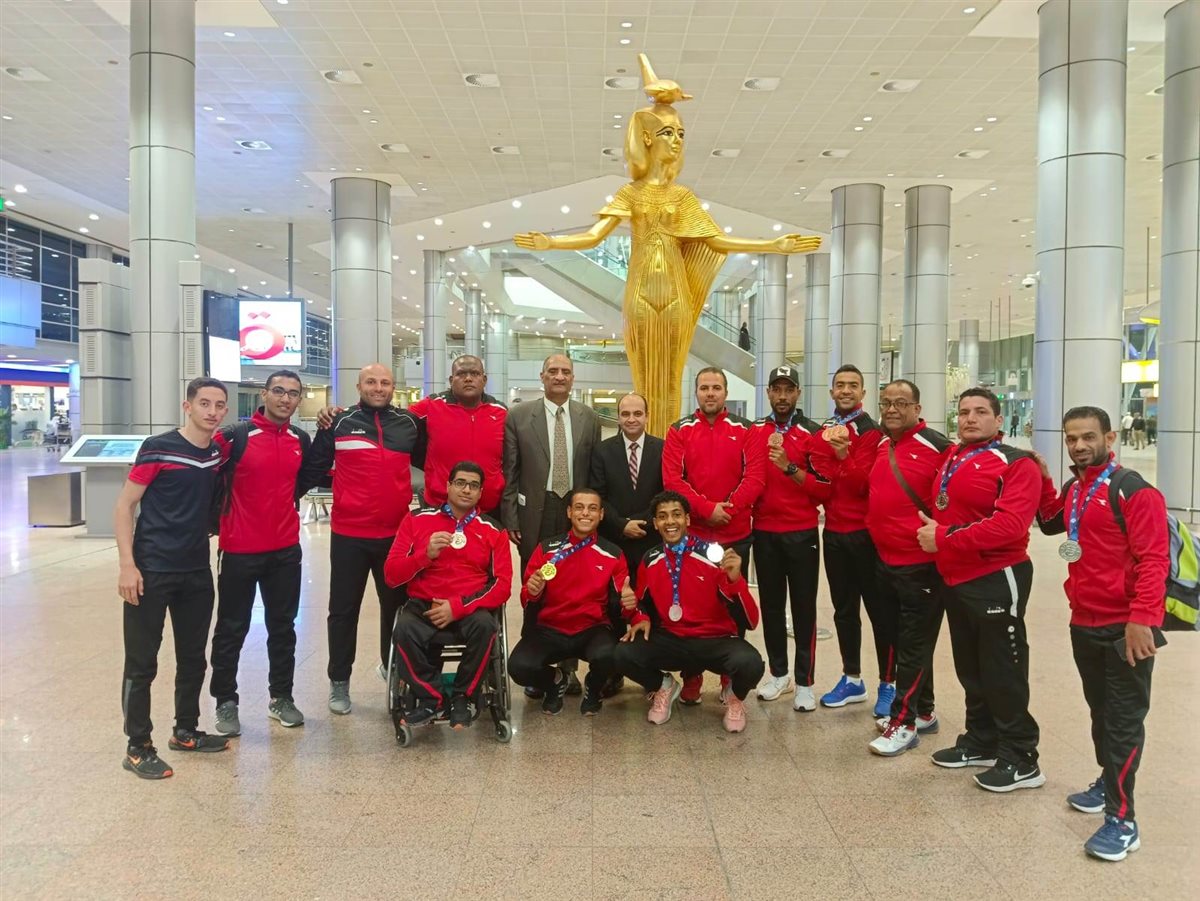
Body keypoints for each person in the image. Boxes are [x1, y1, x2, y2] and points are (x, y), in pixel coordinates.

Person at [1035, 406, 1169, 861]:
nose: (1078, 445)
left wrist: (1142, 619)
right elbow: (1050, 522)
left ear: (1110, 438)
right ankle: (1107, 781)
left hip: (1126, 627)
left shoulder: (1134, 491)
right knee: (1100, 713)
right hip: (1084, 622)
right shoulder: (1077, 488)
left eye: (1088, 437)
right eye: (1071, 438)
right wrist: (1042, 478)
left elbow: (1154, 560)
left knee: (1123, 721)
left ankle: (1123, 820)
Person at [917, 387, 1044, 792]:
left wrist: (944, 537)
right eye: (964, 412)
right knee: (970, 667)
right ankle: (981, 740)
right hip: (956, 576)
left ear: (999, 420)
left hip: (996, 576)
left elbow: (1010, 526)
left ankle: (1021, 757)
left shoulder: (1017, 463)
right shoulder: (954, 455)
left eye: (980, 412)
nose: (970, 418)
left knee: (1002, 670)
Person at [114, 377, 230, 779]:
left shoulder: (215, 453)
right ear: (188, 406)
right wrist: (127, 565)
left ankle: (185, 731)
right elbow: (125, 506)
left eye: (219, 405)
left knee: (193, 658)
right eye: (204, 403)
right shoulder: (157, 447)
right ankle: (137, 746)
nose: (212, 411)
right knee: (141, 663)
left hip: (196, 570)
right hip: (151, 570)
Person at [298, 363, 425, 715]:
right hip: (349, 535)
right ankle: (339, 681)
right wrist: (281, 500)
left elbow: (434, 464)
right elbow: (313, 469)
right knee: (343, 611)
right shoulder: (338, 422)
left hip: (395, 536)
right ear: (359, 386)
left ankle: (392, 668)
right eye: (371, 381)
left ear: (393, 387)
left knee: (396, 610)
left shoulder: (409, 424)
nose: (378, 387)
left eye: (385, 382)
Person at [209, 370, 311, 736]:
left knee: (283, 628)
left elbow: (300, 482)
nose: (286, 399)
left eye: (293, 393)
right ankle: (225, 700)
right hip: (239, 549)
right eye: (279, 391)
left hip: (285, 550)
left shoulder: (300, 439)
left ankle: (281, 697)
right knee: (231, 628)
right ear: (264, 395)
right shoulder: (234, 437)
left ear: (299, 400)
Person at [612, 491, 765, 733]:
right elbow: (640, 602)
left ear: (688, 519)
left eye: (676, 515)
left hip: (714, 640)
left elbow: (752, 620)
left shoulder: (714, 556)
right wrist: (638, 615)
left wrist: (736, 581)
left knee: (752, 664)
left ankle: (734, 696)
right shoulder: (650, 559)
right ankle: (664, 686)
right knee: (622, 654)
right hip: (672, 639)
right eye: (663, 516)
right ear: (655, 523)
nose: (670, 521)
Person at [662, 366, 766, 705]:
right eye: (704, 387)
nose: (710, 393)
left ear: (725, 392)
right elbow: (673, 481)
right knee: (694, 607)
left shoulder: (747, 430)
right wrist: (707, 510)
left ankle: (728, 677)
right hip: (692, 536)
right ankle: (691, 676)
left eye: (716, 388)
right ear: (696, 392)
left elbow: (755, 478)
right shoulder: (679, 430)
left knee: (732, 605)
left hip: (735, 533)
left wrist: (728, 510)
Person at [382, 462, 512, 729]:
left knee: (487, 627)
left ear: (481, 492)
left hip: (468, 606)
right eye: (460, 483)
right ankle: (433, 697)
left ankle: (463, 696)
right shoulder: (416, 519)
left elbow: (502, 585)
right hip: (424, 604)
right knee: (403, 630)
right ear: (448, 486)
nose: (466, 490)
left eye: (474, 485)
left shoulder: (494, 530)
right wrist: (424, 555)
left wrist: (458, 607)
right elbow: (391, 575)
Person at [502, 353, 602, 698]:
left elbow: (593, 472)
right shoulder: (518, 416)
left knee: (574, 586)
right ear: (542, 376)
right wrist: (511, 517)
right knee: (538, 585)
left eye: (566, 372)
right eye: (553, 371)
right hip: (535, 514)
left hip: (577, 512)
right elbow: (510, 471)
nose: (560, 376)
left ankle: (569, 667)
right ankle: (537, 666)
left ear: (573, 378)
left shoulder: (589, 417)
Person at [865, 379, 953, 757]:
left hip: (922, 566)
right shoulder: (883, 444)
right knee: (903, 641)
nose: (891, 409)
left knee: (913, 646)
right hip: (886, 561)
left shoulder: (940, 447)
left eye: (901, 403)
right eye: (886, 402)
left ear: (917, 408)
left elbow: (962, 489)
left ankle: (904, 723)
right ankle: (925, 711)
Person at [509, 488, 638, 716]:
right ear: (569, 512)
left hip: (592, 629)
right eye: (579, 507)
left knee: (613, 656)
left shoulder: (613, 553)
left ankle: (593, 688)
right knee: (519, 667)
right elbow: (526, 596)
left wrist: (628, 604)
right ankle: (555, 681)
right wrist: (533, 591)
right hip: (550, 628)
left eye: (592, 508)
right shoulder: (546, 549)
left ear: (601, 514)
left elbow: (623, 603)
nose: (585, 513)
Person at [809, 364, 891, 714]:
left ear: (863, 393)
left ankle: (889, 684)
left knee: (879, 611)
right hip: (834, 533)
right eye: (840, 385)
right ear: (831, 392)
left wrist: (843, 456)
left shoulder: (872, 432)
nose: (845, 390)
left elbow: (864, 486)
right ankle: (852, 678)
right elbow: (820, 478)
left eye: (852, 386)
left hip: (865, 534)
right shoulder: (825, 430)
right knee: (844, 611)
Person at [750, 364, 831, 711]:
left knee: (803, 608)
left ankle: (805, 682)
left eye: (788, 389)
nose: (782, 396)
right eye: (776, 389)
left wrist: (789, 467)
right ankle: (779, 674)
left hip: (802, 532)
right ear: (768, 392)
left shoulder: (813, 433)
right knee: (771, 606)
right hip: (764, 532)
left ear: (798, 392)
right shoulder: (755, 431)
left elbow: (823, 489)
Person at [408, 354, 507, 517]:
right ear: (451, 380)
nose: (468, 378)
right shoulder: (431, 406)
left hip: (489, 510)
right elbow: (397, 426)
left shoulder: (501, 412)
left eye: (474, 373)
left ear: (484, 380)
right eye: (461, 374)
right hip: (440, 507)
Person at [589, 392, 664, 585]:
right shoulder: (601, 451)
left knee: (649, 594)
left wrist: (643, 523)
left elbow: (664, 494)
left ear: (647, 416)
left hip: (651, 539)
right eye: (625, 414)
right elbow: (598, 496)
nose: (631, 419)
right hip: (614, 539)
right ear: (618, 417)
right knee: (615, 594)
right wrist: (622, 525)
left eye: (637, 413)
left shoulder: (663, 449)